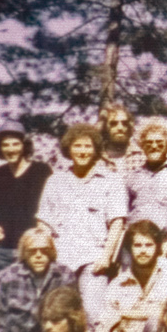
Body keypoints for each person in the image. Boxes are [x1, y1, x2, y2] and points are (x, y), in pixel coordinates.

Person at [36, 122, 128, 321]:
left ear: (96, 150)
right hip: (61, 259)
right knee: (59, 315)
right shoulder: (56, 181)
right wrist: (47, 256)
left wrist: (106, 257)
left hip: (94, 260)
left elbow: (117, 223)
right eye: (77, 146)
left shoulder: (111, 180)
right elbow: (44, 224)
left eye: (88, 146)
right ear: (68, 149)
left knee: (93, 316)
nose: (82, 151)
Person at [0, 120, 53, 277]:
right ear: (0, 148)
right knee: (2, 293)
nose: (10, 149)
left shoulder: (41, 171)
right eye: (5, 145)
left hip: (34, 251)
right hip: (2, 253)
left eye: (15, 144)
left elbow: (57, 205)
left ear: (24, 146)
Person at [0, 229, 79, 332]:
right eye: (32, 251)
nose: (38, 255)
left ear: (51, 252)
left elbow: (74, 317)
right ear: (24, 253)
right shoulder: (6, 278)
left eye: (44, 250)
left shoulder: (64, 276)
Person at [122, 119, 167, 259]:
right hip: (135, 242)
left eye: (159, 142)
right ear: (142, 146)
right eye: (149, 143)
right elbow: (124, 211)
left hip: (163, 241)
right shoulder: (132, 176)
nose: (154, 146)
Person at [98, 103, 146, 173]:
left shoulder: (142, 156)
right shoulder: (96, 157)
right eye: (114, 123)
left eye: (124, 123)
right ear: (104, 127)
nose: (120, 128)